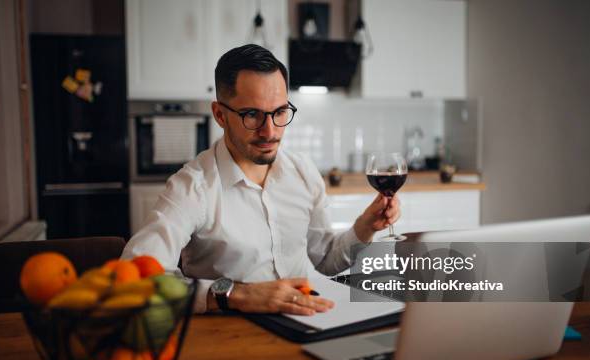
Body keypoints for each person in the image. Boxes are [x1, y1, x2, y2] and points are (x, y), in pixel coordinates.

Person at [122, 44, 400, 315]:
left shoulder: (303, 171)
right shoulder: (192, 187)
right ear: (220, 114)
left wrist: (365, 227)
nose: (270, 132)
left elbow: (326, 259)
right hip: (233, 339)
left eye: (279, 112)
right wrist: (236, 295)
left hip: (309, 323)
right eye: (252, 115)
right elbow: (135, 280)